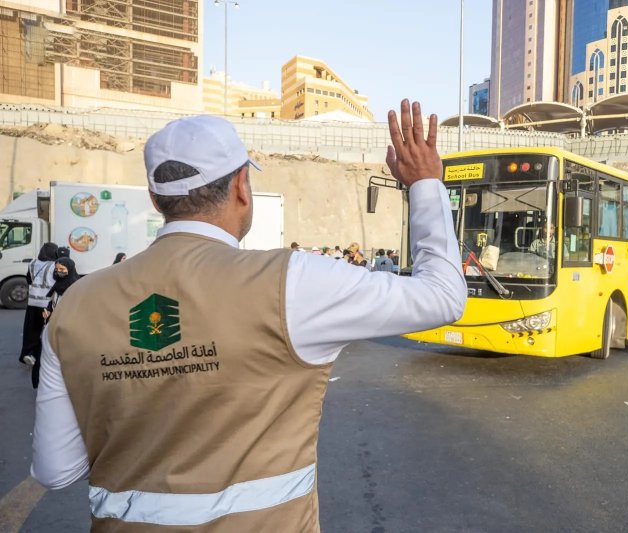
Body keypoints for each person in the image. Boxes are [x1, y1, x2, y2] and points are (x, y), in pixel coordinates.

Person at [31, 101, 466, 532]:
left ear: (155, 199)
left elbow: (56, 471)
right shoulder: (293, 281)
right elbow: (442, 296)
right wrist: (425, 182)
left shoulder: (76, 305)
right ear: (242, 185)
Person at [33, 257, 80, 389]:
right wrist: (48, 310)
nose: (58, 272)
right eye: (57, 269)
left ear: (69, 270)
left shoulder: (75, 287)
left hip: (67, 329)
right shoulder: (58, 284)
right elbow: (52, 301)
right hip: (53, 325)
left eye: (62, 269)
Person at [18, 242, 58, 366]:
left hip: (32, 302)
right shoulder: (54, 266)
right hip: (46, 304)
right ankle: (44, 357)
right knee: (46, 331)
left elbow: (28, 280)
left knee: (31, 330)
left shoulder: (32, 263)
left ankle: (28, 354)